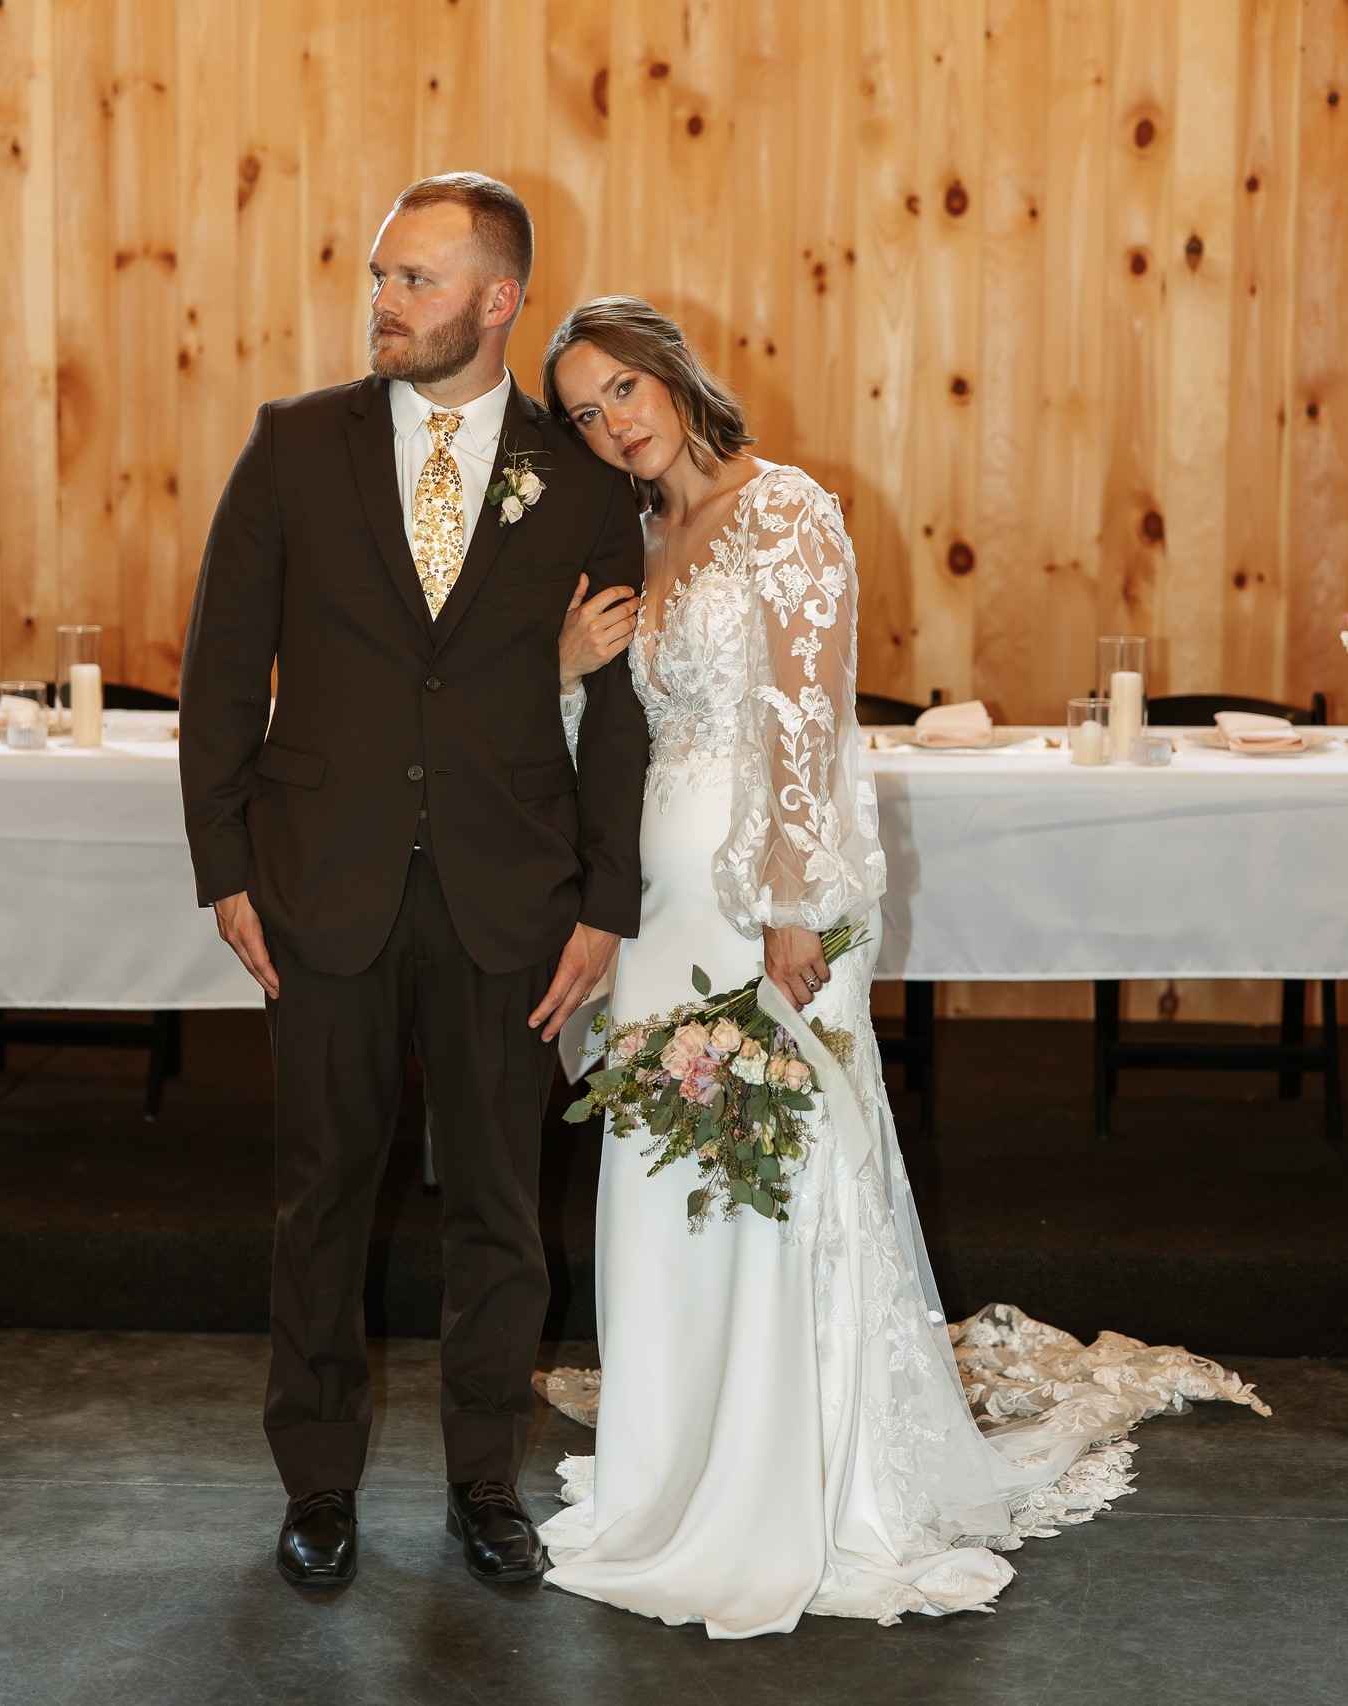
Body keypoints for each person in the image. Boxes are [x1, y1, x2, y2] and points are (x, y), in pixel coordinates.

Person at [536, 297, 1268, 1638]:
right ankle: (677, 1465)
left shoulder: (786, 512)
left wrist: (793, 907)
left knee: (776, 1168)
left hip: (758, 899)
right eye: (585, 413)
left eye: (622, 389)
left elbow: (807, 723)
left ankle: (791, 1480)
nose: (613, 423)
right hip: (652, 907)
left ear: (672, 373)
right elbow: (620, 739)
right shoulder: (632, 540)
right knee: (664, 1170)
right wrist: (570, 670)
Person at [179, 178, 649, 1591]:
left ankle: (484, 1482)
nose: (382, 300)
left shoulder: (580, 480)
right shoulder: (293, 444)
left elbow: (616, 708)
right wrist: (224, 868)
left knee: (502, 1205)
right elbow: (220, 669)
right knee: (320, 1195)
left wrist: (605, 902)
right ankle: (316, 1482)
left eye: (416, 280)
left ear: (498, 301)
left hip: (513, 895)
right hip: (320, 881)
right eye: (380, 275)